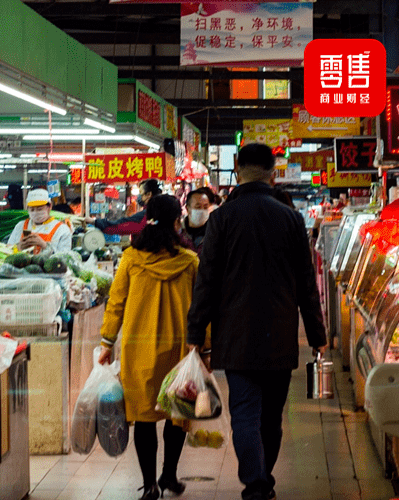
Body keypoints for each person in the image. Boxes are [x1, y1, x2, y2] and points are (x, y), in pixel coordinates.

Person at [186, 143, 327, 500]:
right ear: (274, 171)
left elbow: (207, 280)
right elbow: (306, 283)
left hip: (234, 335)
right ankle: (263, 478)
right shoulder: (291, 218)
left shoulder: (222, 218)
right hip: (280, 334)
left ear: (236, 166)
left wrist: (195, 332)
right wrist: (316, 334)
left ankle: (256, 482)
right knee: (271, 418)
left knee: (245, 413)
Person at [98, 195, 199, 500]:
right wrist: (204, 348)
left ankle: (150, 484)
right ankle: (168, 474)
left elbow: (116, 303)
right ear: (177, 220)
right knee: (176, 410)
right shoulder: (190, 261)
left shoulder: (131, 259)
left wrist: (107, 341)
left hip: (138, 347)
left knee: (143, 416)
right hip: (178, 348)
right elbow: (201, 309)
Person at [6, 188, 72, 254]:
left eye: (39, 209)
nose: (35, 212)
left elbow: (65, 258)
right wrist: (18, 247)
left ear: (50, 206)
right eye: (32, 210)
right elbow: (8, 249)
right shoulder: (20, 226)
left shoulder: (62, 230)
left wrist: (44, 246)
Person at [84, 179, 162, 232]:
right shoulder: (163, 208)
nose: (139, 196)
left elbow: (122, 224)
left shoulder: (148, 213)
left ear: (148, 194)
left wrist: (94, 222)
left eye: (141, 193)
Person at [182, 188, 213, 252]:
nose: (202, 211)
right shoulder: (178, 232)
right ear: (187, 209)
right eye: (198, 207)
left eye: (205, 207)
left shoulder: (214, 232)